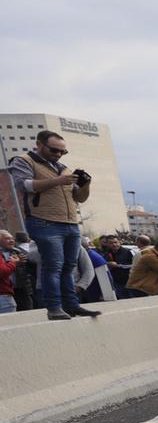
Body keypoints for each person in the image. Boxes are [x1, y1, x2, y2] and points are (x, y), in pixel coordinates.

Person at [7, 129, 96, 319]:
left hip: (70, 222)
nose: (58, 155)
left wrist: (85, 184)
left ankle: (71, 305)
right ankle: (54, 307)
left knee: (68, 266)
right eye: (54, 150)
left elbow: (79, 197)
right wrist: (58, 180)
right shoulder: (23, 160)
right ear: (39, 145)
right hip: (44, 222)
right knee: (53, 266)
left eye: (62, 152)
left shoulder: (63, 167)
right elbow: (24, 185)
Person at [0, 230, 19, 313]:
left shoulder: (17, 251)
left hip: (18, 291)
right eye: (7, 239)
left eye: (12, 238)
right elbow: (3, 271)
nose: (11, 241)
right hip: (3, 297)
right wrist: (13, 263)